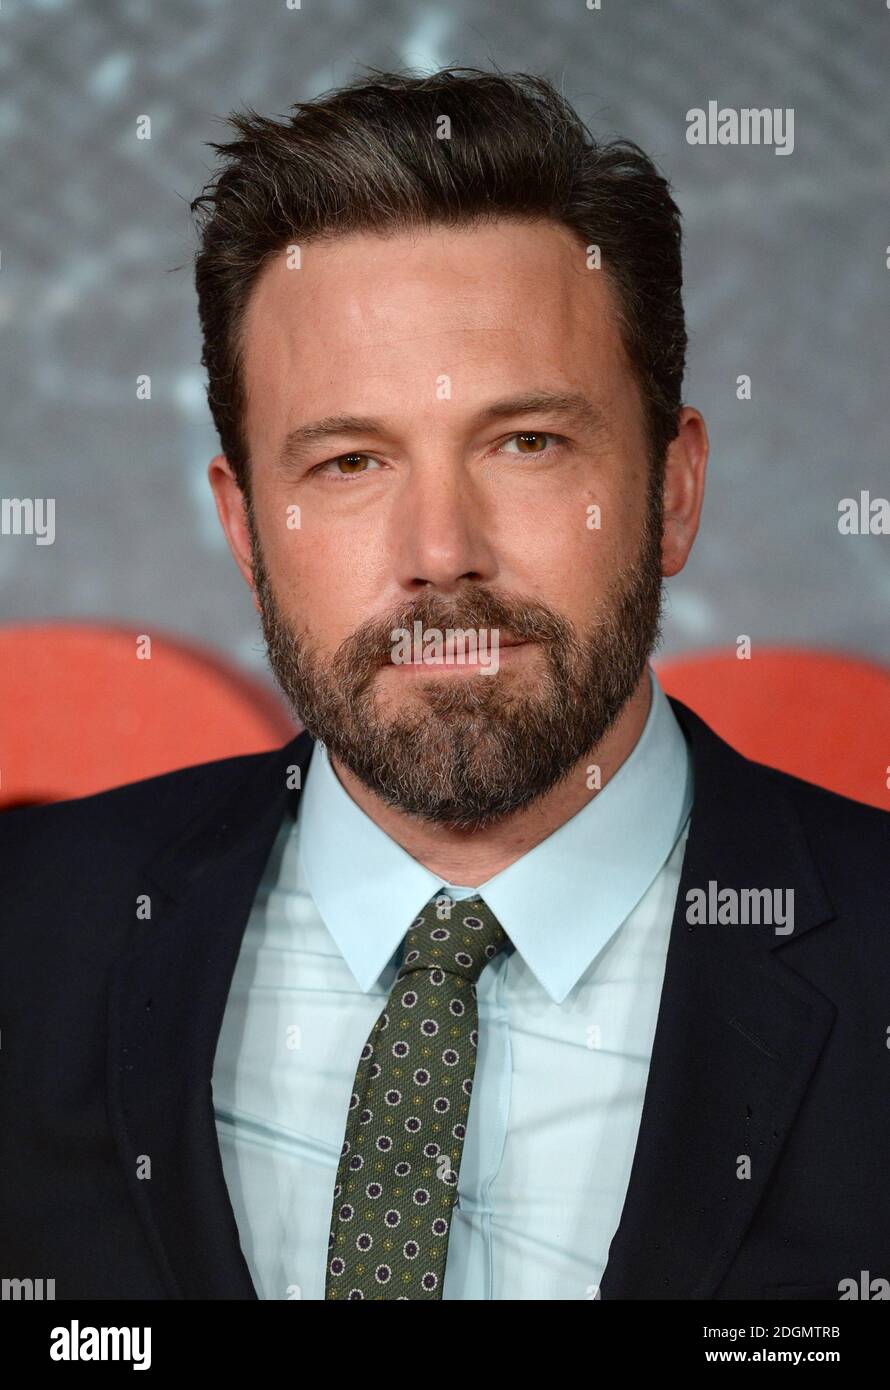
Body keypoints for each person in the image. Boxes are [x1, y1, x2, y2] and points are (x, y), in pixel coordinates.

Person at [1, 67, 888, 1301]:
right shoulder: (27, 932)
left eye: (525, 443)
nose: (438, 554)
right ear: (246, 525)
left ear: (671, 489)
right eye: (350, 460)